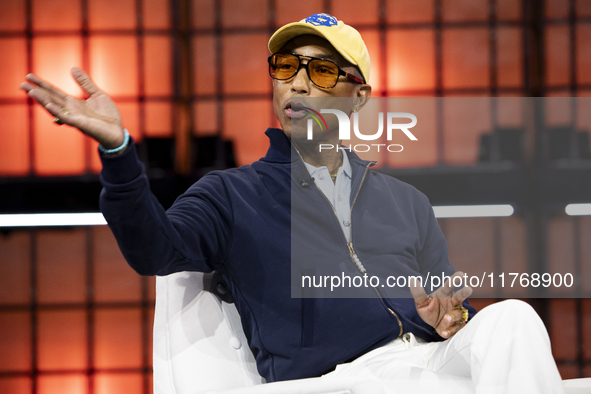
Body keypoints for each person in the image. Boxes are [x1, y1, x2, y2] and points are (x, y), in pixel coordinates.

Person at [21, 13, 565, 394]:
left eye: (322, 71)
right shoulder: (230, 195)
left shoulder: (407, 202)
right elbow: (152, 251)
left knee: (513, 317)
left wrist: (450, 320)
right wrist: (118, 152)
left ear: (358, 96)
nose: (297, 85)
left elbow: (449, 313)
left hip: (422, 364)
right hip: (333, 381)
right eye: (286, 67)